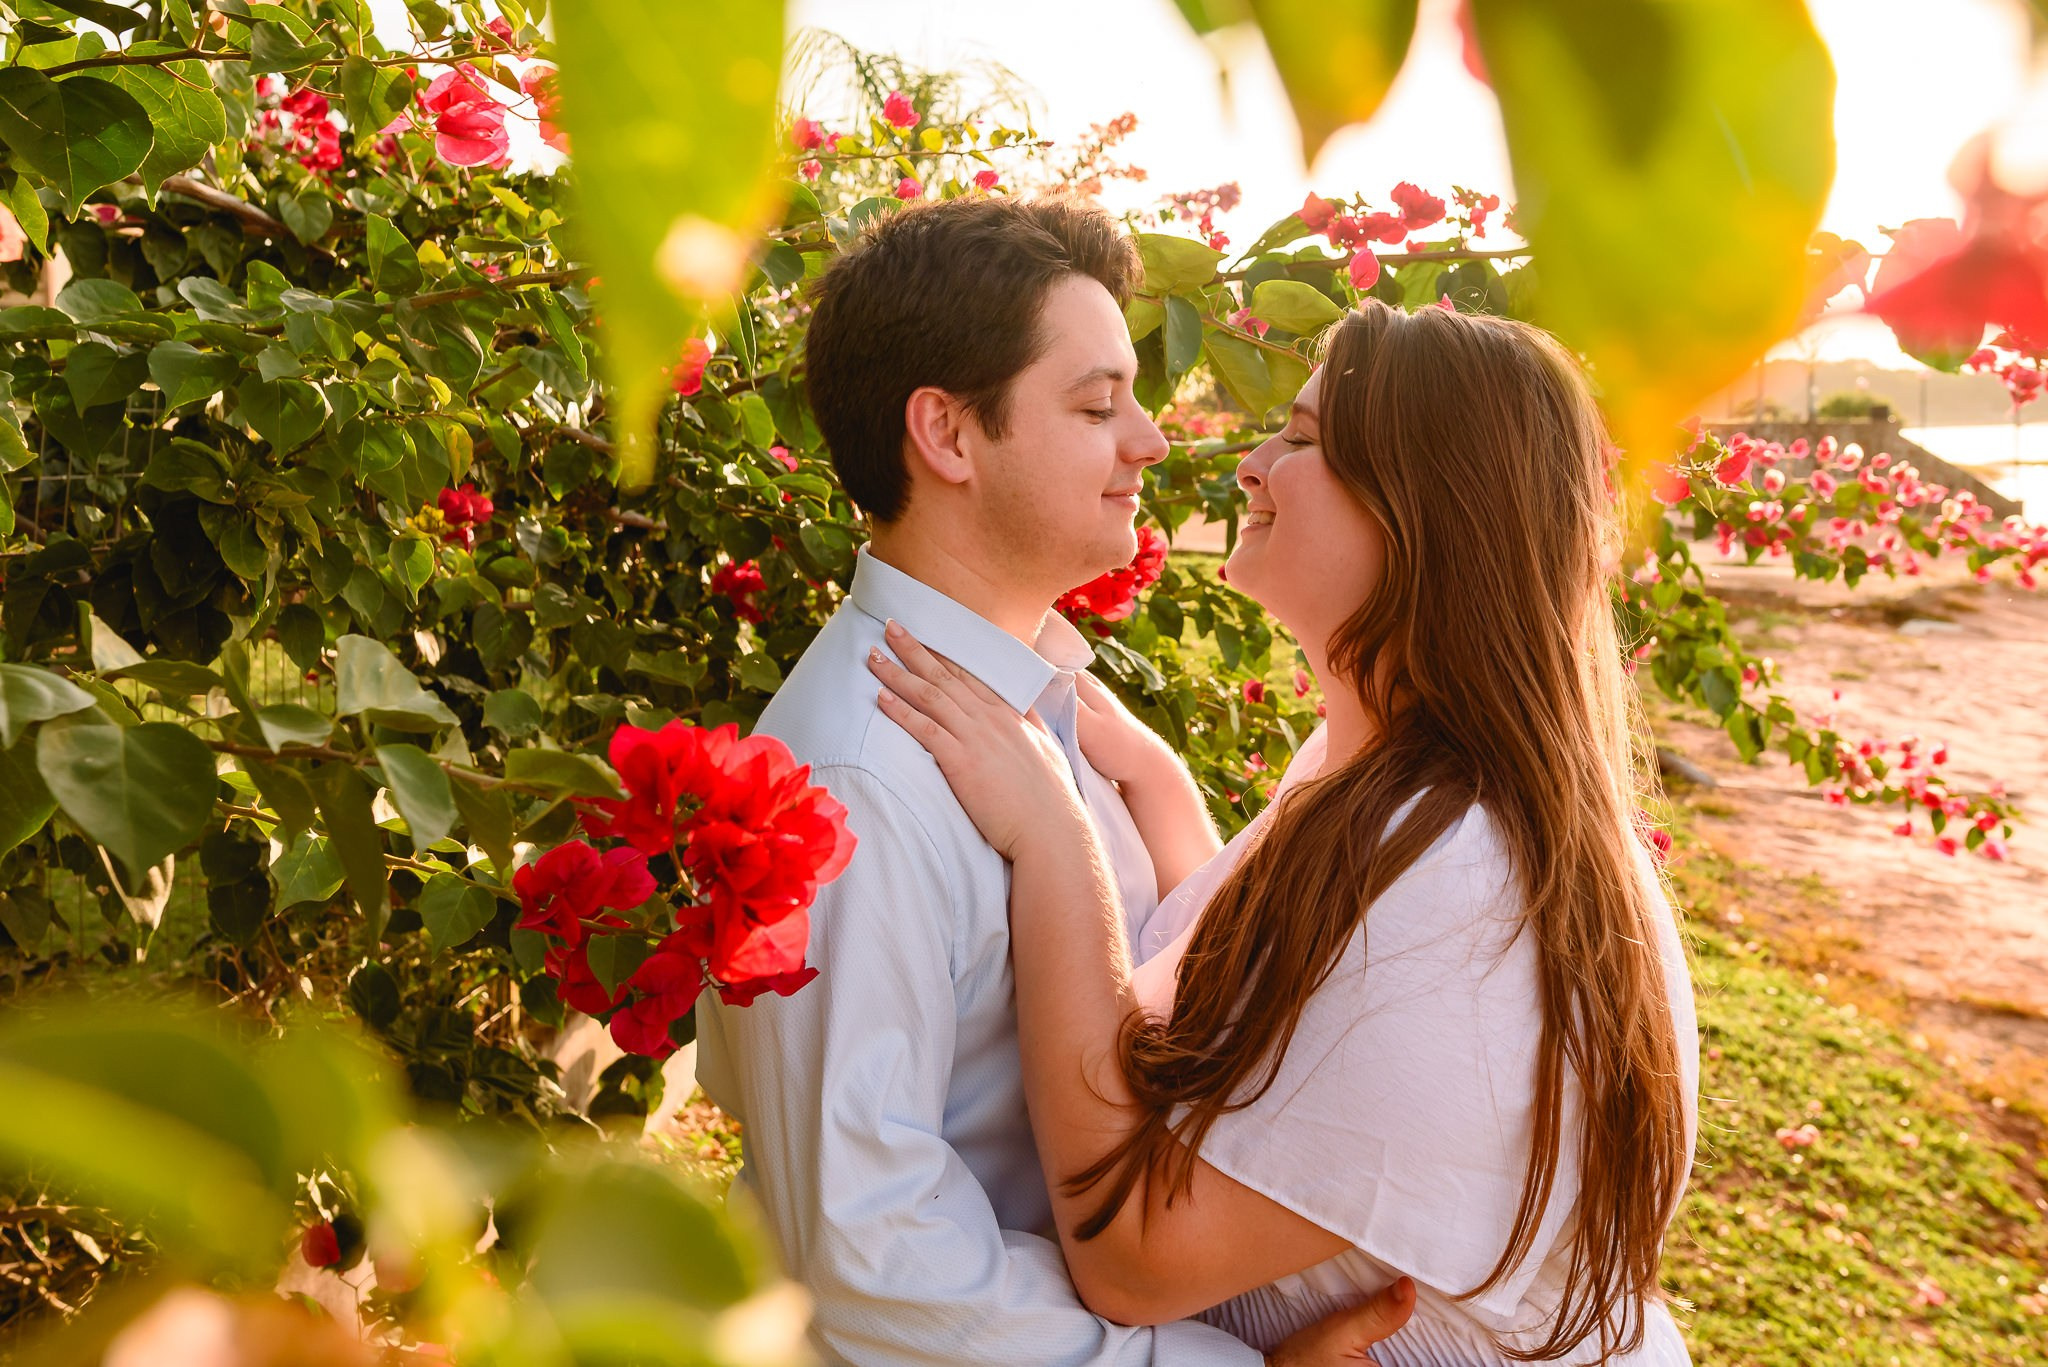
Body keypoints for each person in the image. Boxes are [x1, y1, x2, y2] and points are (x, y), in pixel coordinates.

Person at [867, 298, 1702, 1365]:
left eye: (1301, 441)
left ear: (1423, 513)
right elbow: (1266, 993)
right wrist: (1164, 790)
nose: (1252, 463)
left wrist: (1054, 844)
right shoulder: (1380, 766)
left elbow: (1133, 1258)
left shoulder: (1468, 892)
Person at [695, 196, 1414, 1365]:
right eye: (1095, 403)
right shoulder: (854, 780)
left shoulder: (1037, 705)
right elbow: (875, 1256)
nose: (1152, 439)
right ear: (948, 435)